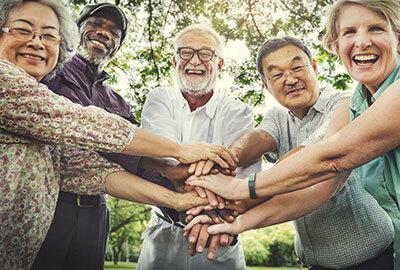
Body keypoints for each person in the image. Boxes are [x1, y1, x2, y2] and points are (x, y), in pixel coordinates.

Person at [0, 1, 235, 269]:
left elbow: (89, 167)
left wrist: (178, 194)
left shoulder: (117, 102)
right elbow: (78, 122)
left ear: (118, 46)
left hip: (94, 209)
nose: (103, 33)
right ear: (73, 34)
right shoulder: (43, 75)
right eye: (96, 24)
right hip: (54, 208)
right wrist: (178, 151)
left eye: (114, 32)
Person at [185, 0, 400, 267]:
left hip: (373, 259)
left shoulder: (342, 104)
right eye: (349, 33)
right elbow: (317, 186)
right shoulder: (359, 102)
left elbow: (325, 157)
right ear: (265, 85)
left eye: (377, 29)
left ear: (315, 67)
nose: (289, 79)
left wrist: (240, 189)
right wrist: (234, 214)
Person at [137, 24, 261, 270]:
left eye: (206, 53)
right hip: (164, 234)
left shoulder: (239, 111)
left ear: (220, 64)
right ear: (175, 60)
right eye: (186, 52)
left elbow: (243, 176)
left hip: (221, 235)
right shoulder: (160, 98)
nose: (195, 61)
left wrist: (176, 172)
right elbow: (162, 158)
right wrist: (213, 167)